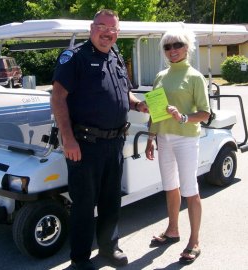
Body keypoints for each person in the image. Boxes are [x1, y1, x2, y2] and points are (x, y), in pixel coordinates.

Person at [51, 9, 148, 270]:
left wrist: (139, 106)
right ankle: (80, 259)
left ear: (117, 33)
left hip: (114, 142)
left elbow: (125, 93)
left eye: (113, 29)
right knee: (84, 204)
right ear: (91, 28)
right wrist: (68, 139)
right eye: (102, 26)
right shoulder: (75, 57)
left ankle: (108, 247)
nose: (107, 33)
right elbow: (58, 98)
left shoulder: (115, 56)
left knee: (110, 200)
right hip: (84, 144)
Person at [145, 29, 210, 265]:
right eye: (167, 46)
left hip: (186, 139)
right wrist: (151, 137)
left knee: (190, 190)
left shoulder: (194, 77)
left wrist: (182, 117)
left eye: (177, 45)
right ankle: (172, 230)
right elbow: (156, 109)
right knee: (170, 186)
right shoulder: (161, 76)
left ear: (187, 47)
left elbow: (204, 113)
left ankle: (194, 241)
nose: (172, 50)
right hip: (163, 138)